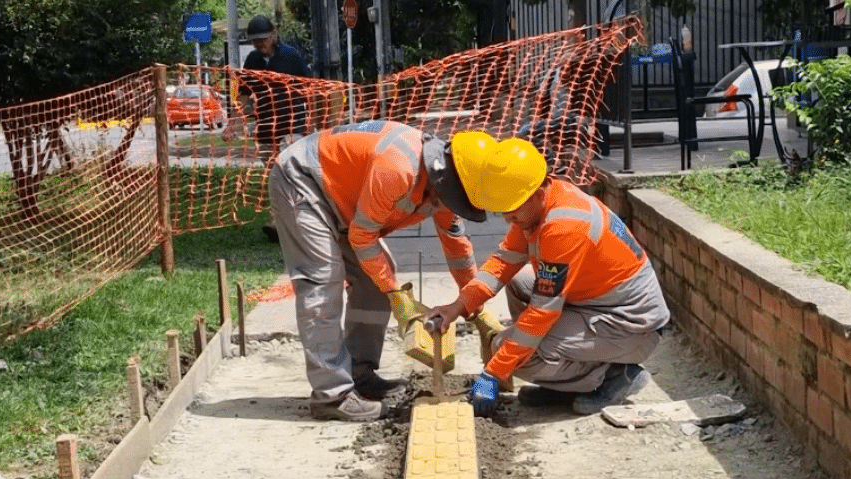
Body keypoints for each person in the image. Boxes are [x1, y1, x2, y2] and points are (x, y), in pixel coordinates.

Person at [269, 120, 504, 421]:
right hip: (303, 181)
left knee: (376, 276)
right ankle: (332, 395)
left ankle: (359, 371)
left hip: (341, 196)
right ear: (446, 181)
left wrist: (475, 306)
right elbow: (362, 237)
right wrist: (395, 294)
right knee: (323, 280)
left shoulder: (444, 178)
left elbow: (457, 249)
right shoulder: (399, 169)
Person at [427, 132, 671, 417]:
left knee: (507, 350)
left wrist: (494, 373)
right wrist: (457, 306)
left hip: (631, 325)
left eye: (511, 209)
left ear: (537, 194)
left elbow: (543, 313)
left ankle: (614, 376)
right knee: (519, 285)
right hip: (599, 306)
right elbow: (503, 262)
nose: (507, 219)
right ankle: (563, 382)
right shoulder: (539, 205)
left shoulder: (564, 227)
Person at [222, 14, 312, 241]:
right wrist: (232, 124)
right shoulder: (252, 61)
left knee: (288, 173)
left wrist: (315, 121)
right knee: (273, 177)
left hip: (292, 126)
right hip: (265, 130)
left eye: (263, 39)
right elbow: (243, 94)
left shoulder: (291, 57)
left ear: (273, 34)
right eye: (255, 41)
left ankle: (291, 221)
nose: (259, 44)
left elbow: (312, 89)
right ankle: (281, 220)